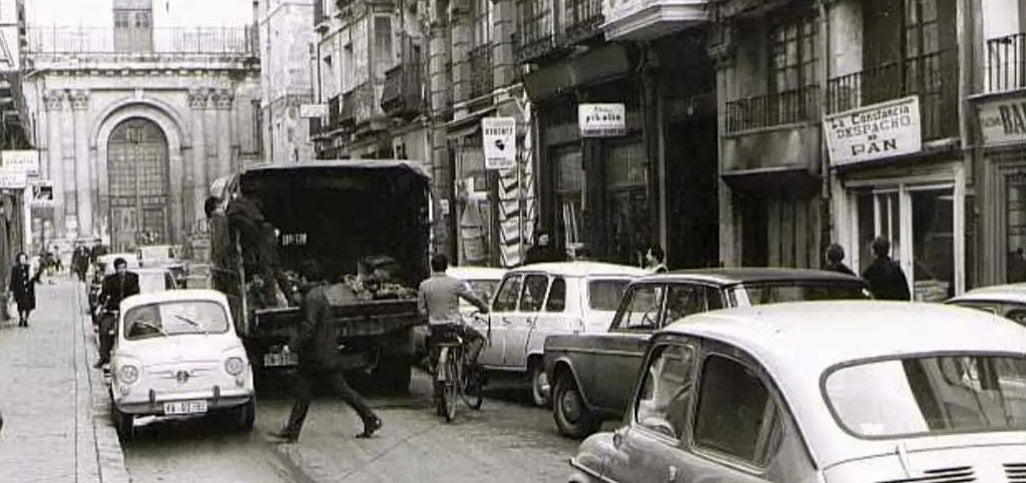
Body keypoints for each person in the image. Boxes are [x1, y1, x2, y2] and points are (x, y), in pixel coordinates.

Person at [269, 260, 382, 443]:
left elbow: (308, 326)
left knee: (320, 392)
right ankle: (369, 418)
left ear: (305, 278)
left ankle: (370, 418)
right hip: (321, 354)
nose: (296, 282)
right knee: (307, 393)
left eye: (298, 278)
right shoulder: (317, 294)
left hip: (317, 355)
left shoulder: (312, 298)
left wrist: (291, 346)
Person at [417, 254, 490, 407]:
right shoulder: (455, 283)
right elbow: (473, 299)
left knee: (436, 361)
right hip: (454, 327)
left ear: (432, 267)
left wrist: (430, 317)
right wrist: (483, 307)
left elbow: (421, 311)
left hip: (435, 329)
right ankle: (468, 364)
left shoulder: (424, 285)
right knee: (479, 338)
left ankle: (438, 398)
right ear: (446, 267)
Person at [94, 257, 140, 368]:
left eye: (124, 268)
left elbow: (136, 294)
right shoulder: (110, 280)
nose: (122, 271)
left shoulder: (133, 278)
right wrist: (101, 303)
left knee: (136, 329)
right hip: (113, 310)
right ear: (116, 269)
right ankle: (104, 357)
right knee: (104, 330)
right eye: (119, 268)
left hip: (128, 311)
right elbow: (104, 295)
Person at [9, 252, 42, 327]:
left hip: (29, 290)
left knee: (28, 306)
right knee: (20, 306)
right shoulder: (15, 269)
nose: (23, 260)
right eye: (21, 258)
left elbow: (34, 278)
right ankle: (21, 318)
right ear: (19, 259)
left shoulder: (29, 267)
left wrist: (35, 273)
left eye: (24, 258)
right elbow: (13, 280)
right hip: (19, 290)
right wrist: (12, 291)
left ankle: (26, 319)